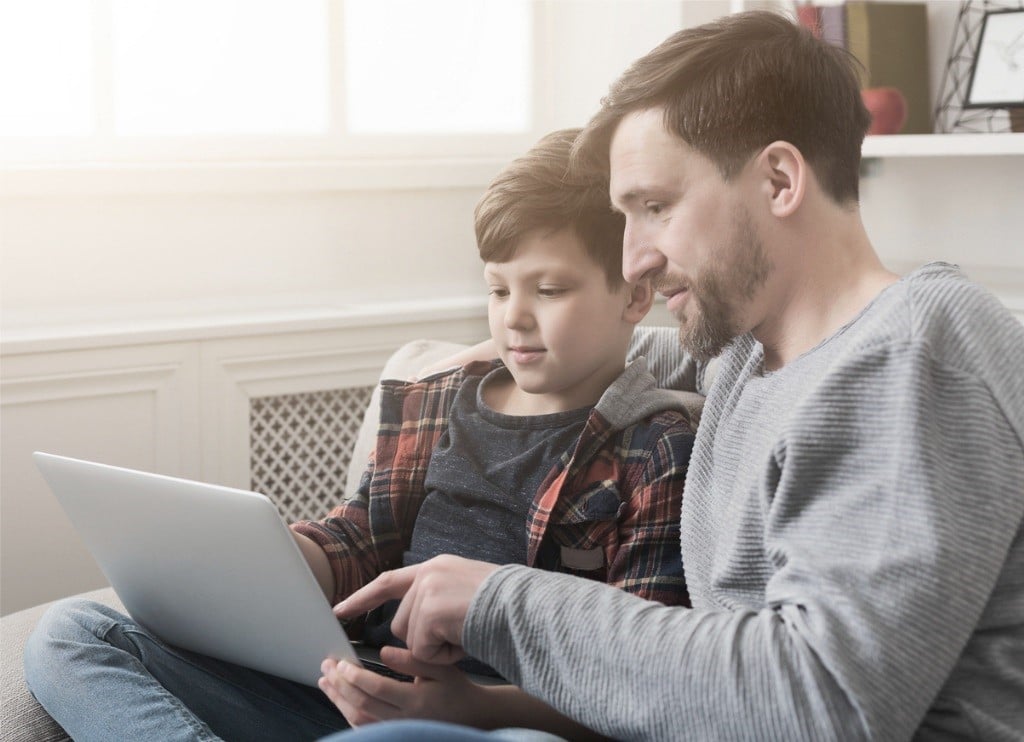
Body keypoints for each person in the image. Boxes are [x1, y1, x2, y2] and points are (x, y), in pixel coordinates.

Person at [323, 10, 1024, 742]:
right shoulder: (749, 352)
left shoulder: (915, 351)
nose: (634, 261)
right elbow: (649, 354)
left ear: (780, 180)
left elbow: (822, 704)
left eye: (655, 208)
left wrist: (499, 603)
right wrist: (498, 348)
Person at [23, 128, 696, 741]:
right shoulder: (435, 403)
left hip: (492, 719)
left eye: (548, 290)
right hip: (346, 687)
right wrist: (274, 560)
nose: (514, 317)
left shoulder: (654, 448)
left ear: (635, 296)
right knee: (71, 633)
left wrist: (477, 708)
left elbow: (635, 678)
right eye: (497, 290)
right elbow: (360, 540)